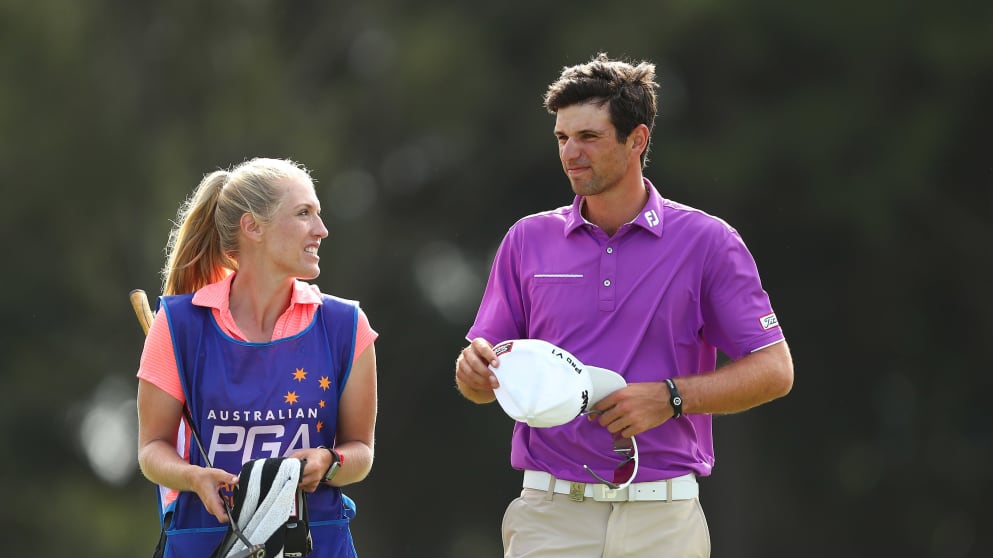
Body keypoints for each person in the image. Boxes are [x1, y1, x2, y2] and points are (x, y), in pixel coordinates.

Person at [454, 53, 794, 557]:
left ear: (637, 140)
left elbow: (775, 370)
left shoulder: (708, 242)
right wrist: (473, 374)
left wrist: (670, 397)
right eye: (563, 138)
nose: (571, 152)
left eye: (588, 137)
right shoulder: (526, 239)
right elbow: (482, 383)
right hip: (550, 513)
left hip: (664, 518)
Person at [136, 157, 378, 557]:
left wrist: (328, 460)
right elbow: (152, 449)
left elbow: (361, 453)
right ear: (252, 227)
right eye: (304, 214)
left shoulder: (346, 325)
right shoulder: (179, 325)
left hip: (316, 542)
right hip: (205, 540)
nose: (322, 230)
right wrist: (194, 477)